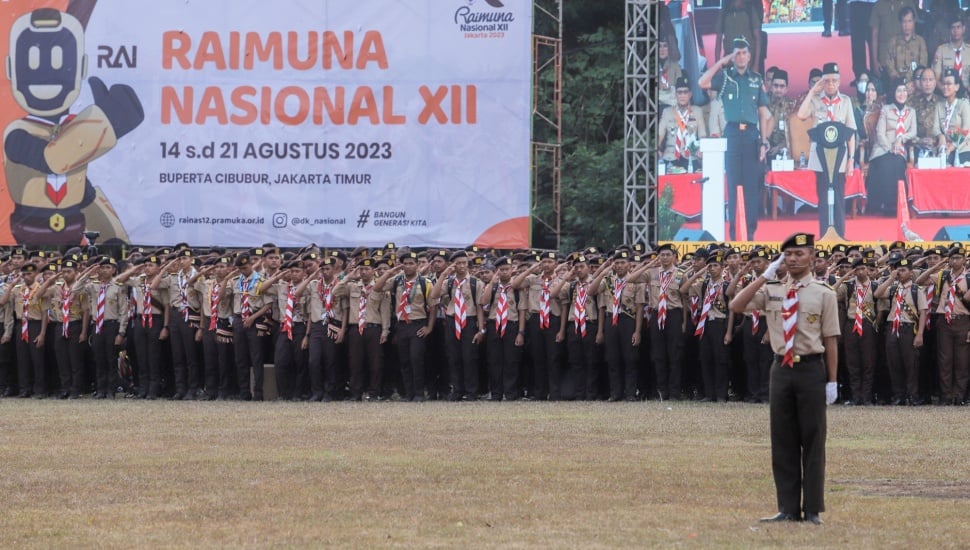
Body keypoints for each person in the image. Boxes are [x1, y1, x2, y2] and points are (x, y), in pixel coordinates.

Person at [730, 232, 840, 525]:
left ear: (813, 257)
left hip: (811, 369)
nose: (792, 259)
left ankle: (813, 508)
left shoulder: (824, 293)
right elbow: (736, 306)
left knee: (813, 439)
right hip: (781, 369)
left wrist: (832, 381)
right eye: (787, 254)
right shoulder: (773, 289)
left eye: (799, 254)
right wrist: (764, 276)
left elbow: (830, 340)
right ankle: (787, 508)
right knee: (783, 440)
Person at [699, 35, 770, 240]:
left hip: (751, 135)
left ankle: (750, 233)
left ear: (749, 56)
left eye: (744, 53)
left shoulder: (756, 79)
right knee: (733, 184)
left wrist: (764, 142)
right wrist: (721, 62)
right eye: (737, 53)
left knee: (751, 187)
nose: (740, 57)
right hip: (731, 133)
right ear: (732, 55)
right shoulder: (726, 76)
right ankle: (733, 234)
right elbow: (702, 82)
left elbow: (763, 113)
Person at [796, 62, 857, 236]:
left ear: (839, 82)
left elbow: (851, 131)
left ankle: (839, 235)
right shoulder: (815, 100)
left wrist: (851, 160)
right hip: (820, 156)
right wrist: (811, 92)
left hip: (840, 156)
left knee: (838, 197)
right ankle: (824, 235)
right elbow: (801, 115)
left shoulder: (845, 101)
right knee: (823, 197)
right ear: (822, 82)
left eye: (834, 81)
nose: (830, 84)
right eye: (827, 81)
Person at [874, 257, 927, 405]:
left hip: (909, 328)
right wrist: (891, 279)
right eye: (898, 270)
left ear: (911, 272)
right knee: (894, 363)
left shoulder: (917, 290)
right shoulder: (892, 288)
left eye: (903, 270)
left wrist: (920, 334)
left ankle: (912, 396)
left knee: (911, 364)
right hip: (892, 328)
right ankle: (899, 395)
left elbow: (923, 312)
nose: (900, 273)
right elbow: (877, 294)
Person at [478, 257, 527, 401]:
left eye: (507, 269)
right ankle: (496, 393)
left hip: (512, 325)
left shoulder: (517, 288)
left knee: (511, 361)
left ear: (512, 270)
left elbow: (522, 311)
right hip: (494, 325)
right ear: (496, 271)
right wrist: (491, 283)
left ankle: (510, 393)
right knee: (494, 361)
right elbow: (483, 302)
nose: (504, 273)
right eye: (501, 270)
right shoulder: (493, 286)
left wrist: (521, 332)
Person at [866, 78, 916, 215]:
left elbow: (913, 131)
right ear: (893, 93)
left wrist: (901, 138)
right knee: (886, 162)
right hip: (882, 149)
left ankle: (896, 204)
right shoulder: (886, 110)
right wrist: (889, 148)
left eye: (904, 90)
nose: (902, 94)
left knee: (898, 162)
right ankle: (883, 204)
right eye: (899, 91)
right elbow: (880, 133)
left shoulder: (911, 112)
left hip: (900, 149)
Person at [658, 77, 707, 169]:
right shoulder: (667, 112)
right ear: (676, 94)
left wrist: (701, 148)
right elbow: (659, 134)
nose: (682, 95)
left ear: (690, 94)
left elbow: (702, 135)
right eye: (679, 92)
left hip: (691, 156)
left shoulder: (697, 111)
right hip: (670, 156)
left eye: (685, 92)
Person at [870, 0, 918, 84]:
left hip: (906, 59)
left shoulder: (908, 2)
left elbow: (914, 29)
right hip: (884, 59)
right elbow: (874, 34)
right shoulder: (879, 5)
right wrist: (874, 61)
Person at [880, 7, 927, 83]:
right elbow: (889, 65)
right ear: (900, 23)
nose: (907, 25)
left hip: (916, 84)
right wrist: (899, 81)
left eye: (909, 21)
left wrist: (913, 82)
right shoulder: (893, 41)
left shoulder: (920, 41)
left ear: (914, 21)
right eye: (904, 21)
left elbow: (923, 64)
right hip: (896, 84)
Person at [937, 68, 970, 165]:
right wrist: (941, 136)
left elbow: (966, 130)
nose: (945, 87)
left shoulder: (964, 104)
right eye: (943, 84)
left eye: (949, 84)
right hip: (943, 148)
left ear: (957, 86)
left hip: (963, 149)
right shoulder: (939, 105)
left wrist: (952, 147)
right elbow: (935, 128)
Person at [932, 14, 970, 91]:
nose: (955, 30)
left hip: (966, 94)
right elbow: (936, 79)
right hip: (946, 93)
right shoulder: (941, 50)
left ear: (963, 29)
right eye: (953, 27)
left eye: (958, 27)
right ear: (949, 30)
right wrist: (945, 90)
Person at [765, 69, 795, 162]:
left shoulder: (792, 106)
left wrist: (780, 147)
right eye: (776, 86)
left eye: (782, 86)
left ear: (786, 89)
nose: (778, 89)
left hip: (784, 151)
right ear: (771, 87)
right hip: (764, 150)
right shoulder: (763, 104)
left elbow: (794, 134)